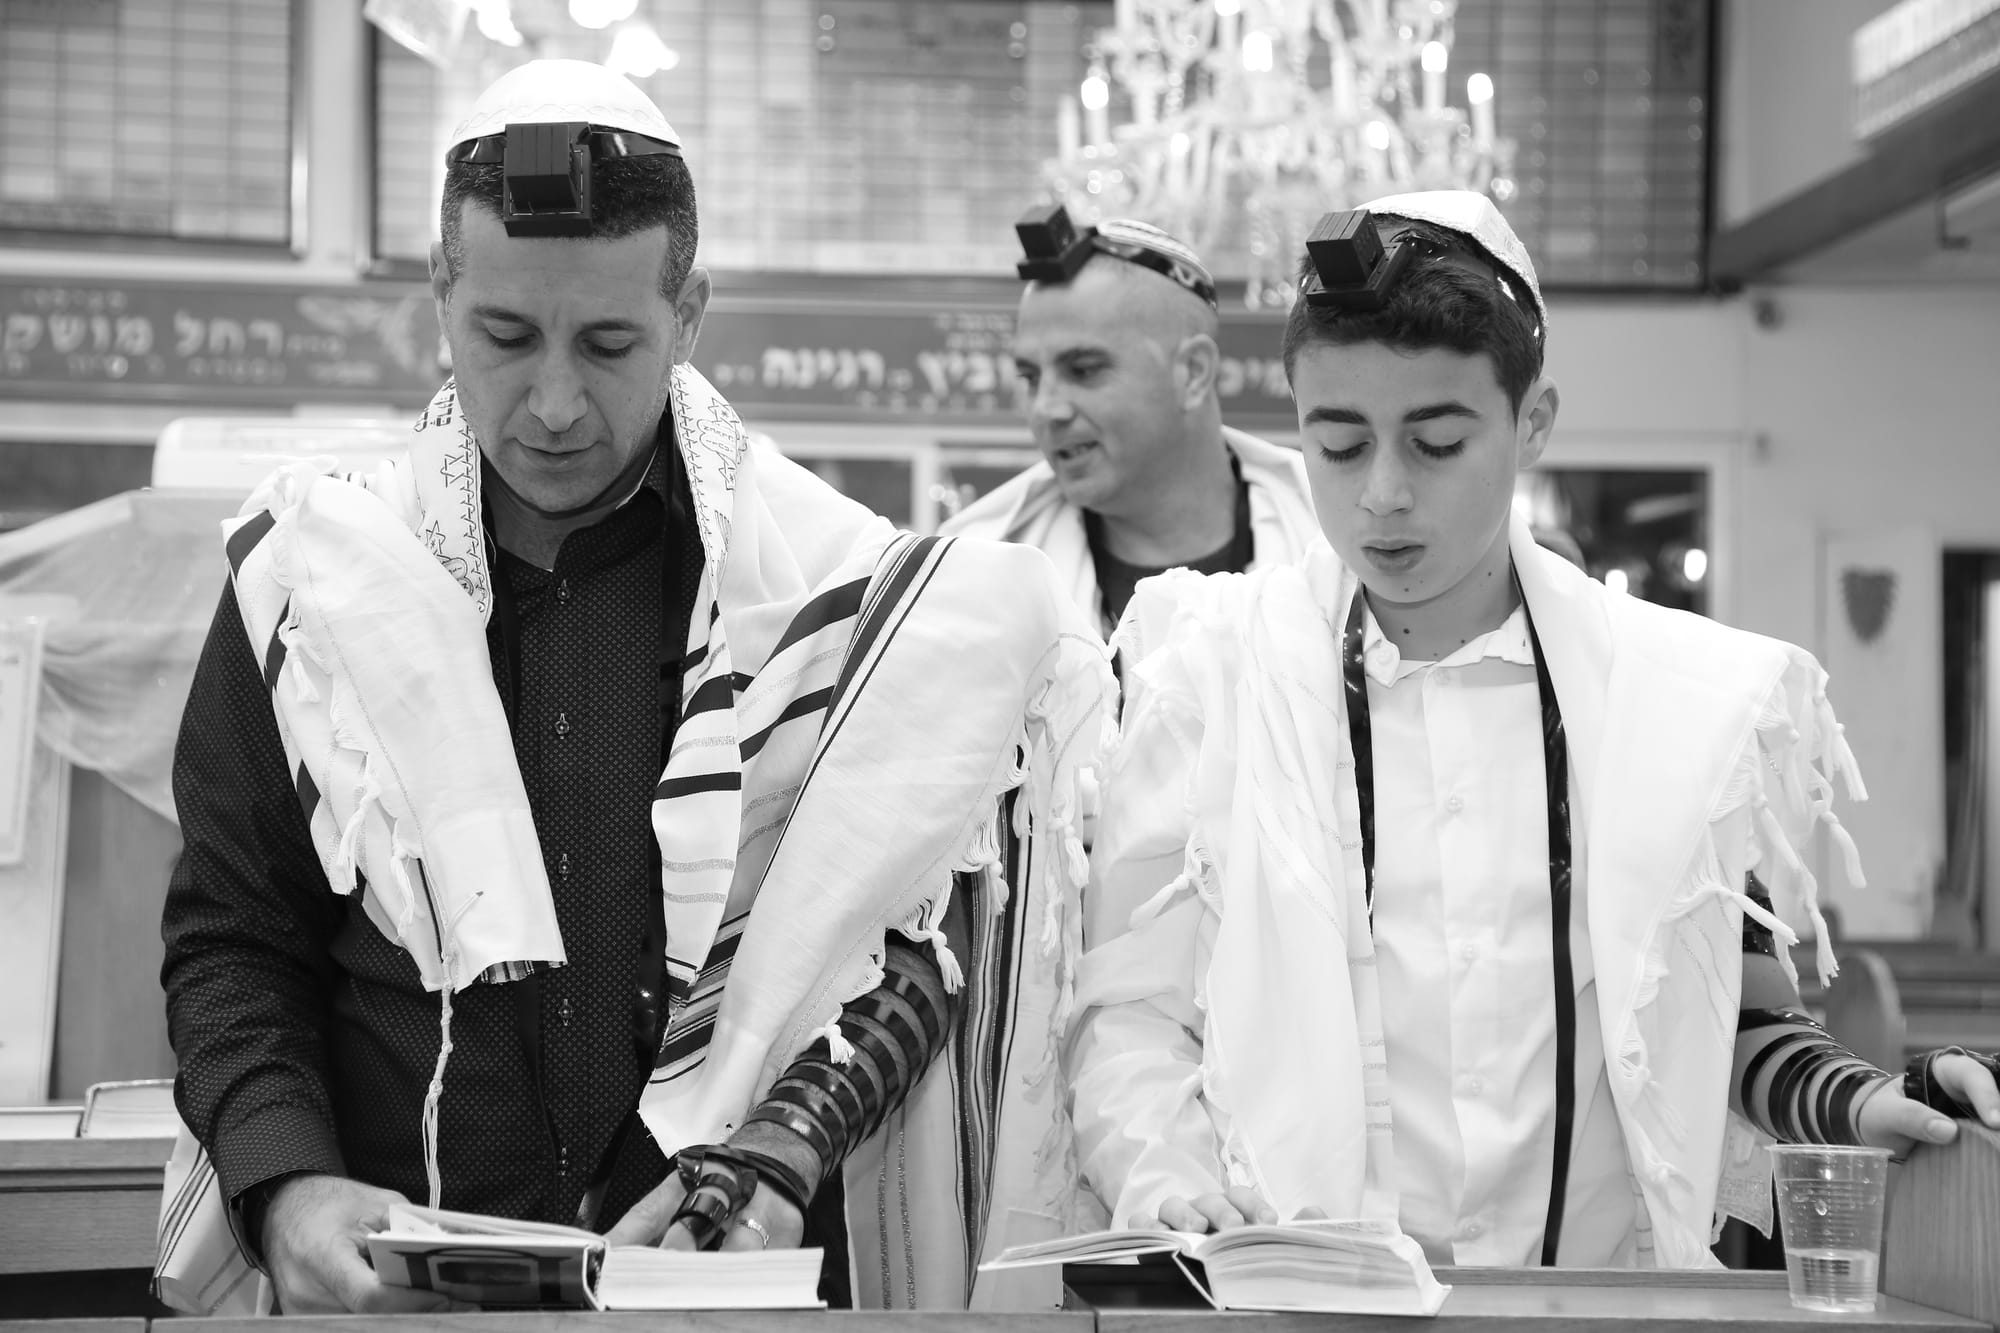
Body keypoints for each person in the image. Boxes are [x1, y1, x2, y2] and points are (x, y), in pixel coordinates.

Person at [157, 60, 1112, 1315]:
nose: (554, 404)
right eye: (504, 337)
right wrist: (285, 1185)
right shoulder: (309, 583)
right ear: (440, 296)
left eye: (609, 345)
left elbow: (920, 933)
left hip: (729, 1290)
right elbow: (233, 939)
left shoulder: (831, 591)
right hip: (391, 1298)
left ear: (688, 314)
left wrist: (783, 1150)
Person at [1066, 191, 2000, 1268]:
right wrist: (1167, 1179)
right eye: (1339, 444)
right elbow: (1131, 1012)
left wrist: (1866, 1100)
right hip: (1295, 1294)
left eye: (1436, 442)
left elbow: (1729, 1014)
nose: (1382, 494)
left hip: (1586, 1301)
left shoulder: (1663, 698)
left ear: (1532, 423)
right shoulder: (1213, 676)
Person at [939, 208, 1319, 637]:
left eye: (1083, 370)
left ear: (1193, 373)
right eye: (1031, 378)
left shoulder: (1338, 542)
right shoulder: (969, 575)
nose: (1046, 410)